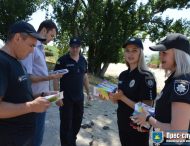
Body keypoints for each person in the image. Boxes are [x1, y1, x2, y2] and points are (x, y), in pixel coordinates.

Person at [132, 33, 190, 145]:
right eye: (160, 53)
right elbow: (167, 117)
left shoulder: (182, 82)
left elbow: (178, 135)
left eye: (164, 52)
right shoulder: (174, 79)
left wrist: (148, 118)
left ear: (179, 55)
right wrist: (149, 121)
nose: (160, 56)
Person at [0, 21, 51, 146]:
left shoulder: (17, 61)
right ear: (17, 38)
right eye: (31, 45)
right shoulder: (2, 62)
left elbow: (19, 95)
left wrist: (42, 95)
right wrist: (32, 107)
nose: (33, 51)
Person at [21, 20, 63, 146]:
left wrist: (50, 77)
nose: (52, 39)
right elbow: (27, 77)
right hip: (34, 99)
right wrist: (50, 77)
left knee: (38, 135)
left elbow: (39, 72)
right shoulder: (32, 48)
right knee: (35, 139)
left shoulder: (40, 48)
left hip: (43, 96)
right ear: (44, 30)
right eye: (51, 35)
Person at [108, 37, 157, 146]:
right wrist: (112, 97)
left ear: (141, 53)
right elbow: (119, 101)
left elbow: (146, 109)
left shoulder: (146, 77)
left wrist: (122, 97)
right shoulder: (123, 75)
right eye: (127, 50)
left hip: (137, 127)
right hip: (122, 123)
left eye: (134, 50)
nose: (130, 54)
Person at [53, 37, 92, 146]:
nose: (74, 49)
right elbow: (55, 78)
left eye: (77, 47)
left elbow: (85, 77)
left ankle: (72, 141)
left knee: (77, 122)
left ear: (80, 47)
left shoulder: (83, 60)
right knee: (66, 125)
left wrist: (88, 93)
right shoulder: (62, 60)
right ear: (69, 47)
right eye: (72, 47)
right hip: (66, 99)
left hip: (79, 98)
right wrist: (57, 97)